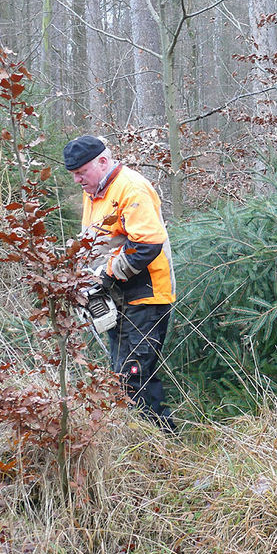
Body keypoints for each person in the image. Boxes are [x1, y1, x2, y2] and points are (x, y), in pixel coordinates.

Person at [63, 134, 176, 429]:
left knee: (135, 376)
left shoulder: (131, 188)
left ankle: (162, 444)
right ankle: (145, 443)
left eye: (81, 173)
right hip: (117, 298)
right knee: (120, 376)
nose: (77, 180)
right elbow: (95, 243)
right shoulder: (94, 192)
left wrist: (105, 275)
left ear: (102, 162)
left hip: (146, 297)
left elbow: (147, 246)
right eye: (73, 175)